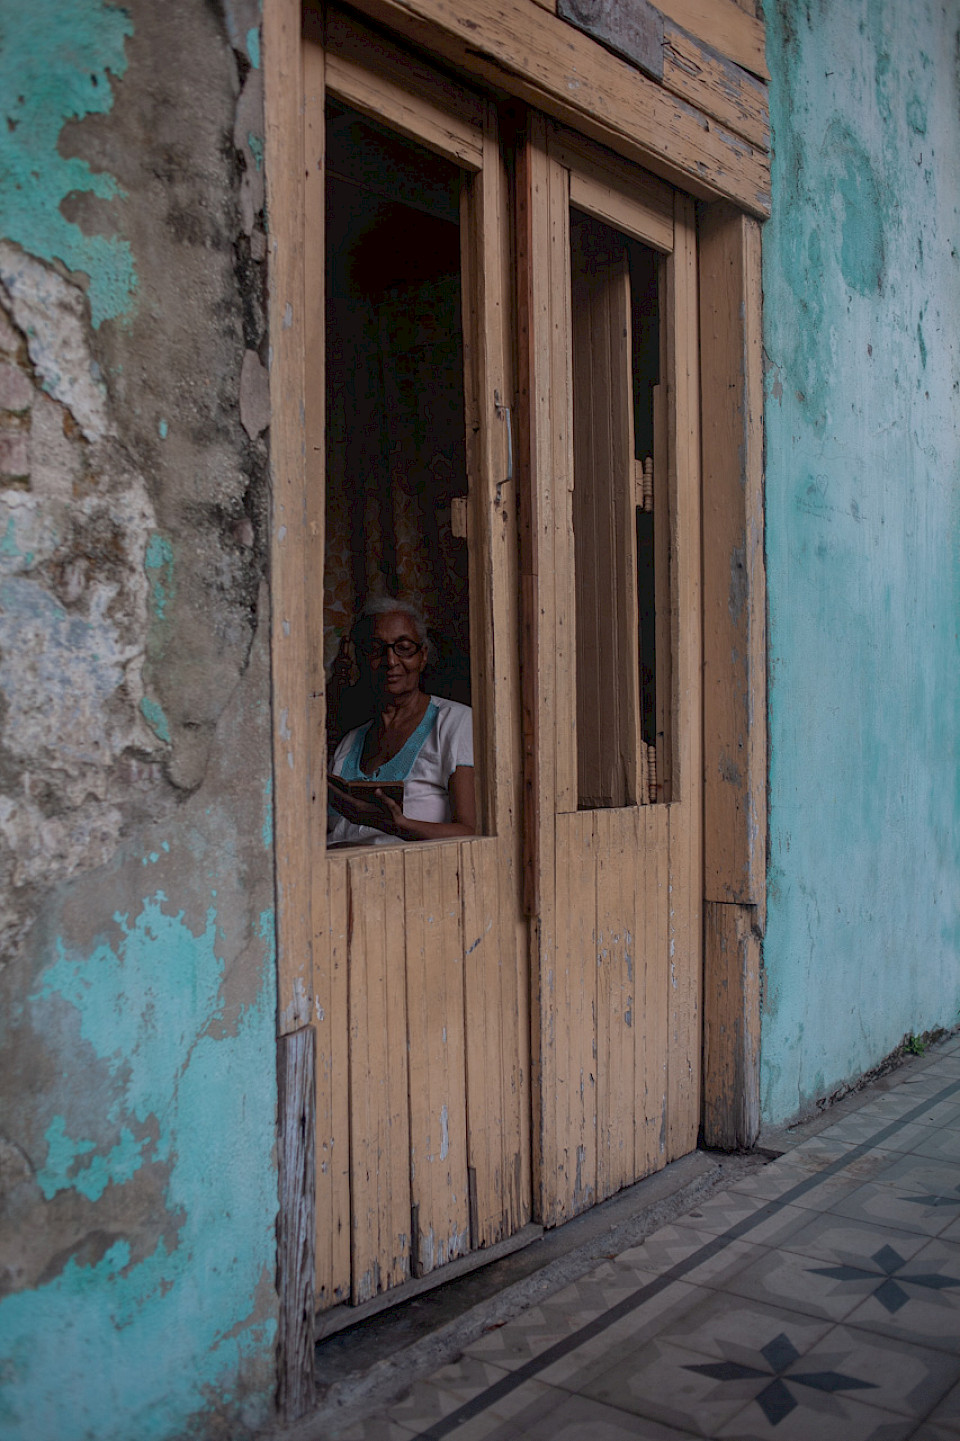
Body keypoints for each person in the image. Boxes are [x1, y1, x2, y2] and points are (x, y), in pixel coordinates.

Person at [326, 598, 476, 847]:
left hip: (410, 875)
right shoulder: (349, 743)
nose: (391, 661)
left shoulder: (454, 722)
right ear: (362, 660)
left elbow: (470, 832)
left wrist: (398, 825)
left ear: (423, 656)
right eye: (375, 649)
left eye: (404, 648)